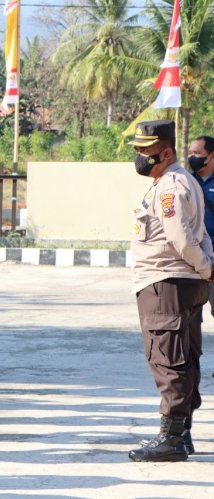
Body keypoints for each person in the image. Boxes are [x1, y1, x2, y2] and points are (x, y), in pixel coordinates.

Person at [127, 120, 213, 462]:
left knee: (168, 359)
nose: (140, 157)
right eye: (137, 150)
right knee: (185, 356)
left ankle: (172, 438)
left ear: (166, 151)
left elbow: (180, 238)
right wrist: (206, 266)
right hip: (182, 282)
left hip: (168, 282)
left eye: (146, 152)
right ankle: (183, 432)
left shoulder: (170, 187)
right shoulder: (182, 181)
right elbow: (200, 234)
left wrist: (206, 267)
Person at [189, 135, 214, 317]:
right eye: (190, 152)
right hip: (193, 259)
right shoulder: (186, 181)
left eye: (197, 153)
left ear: (211, 156)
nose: (192, 157)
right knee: (189, 316)